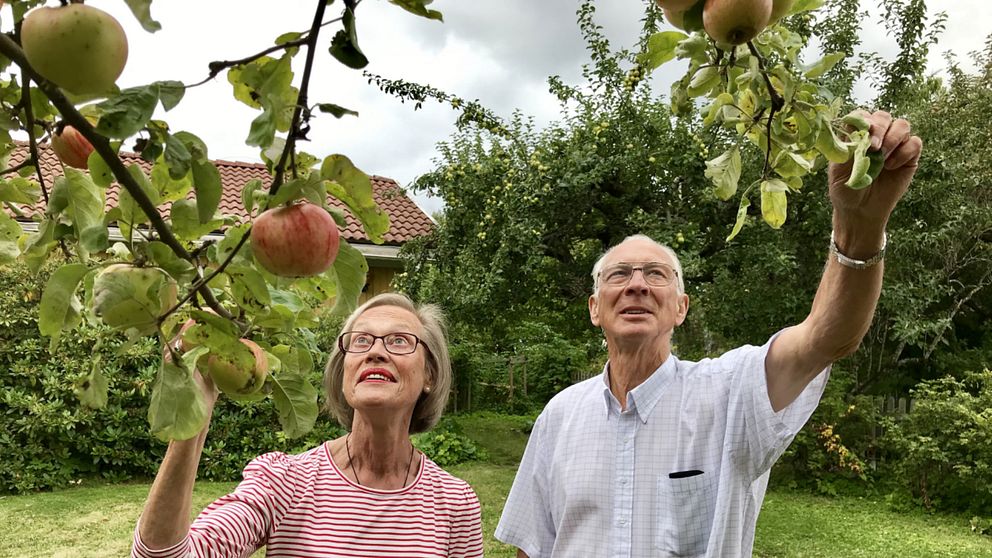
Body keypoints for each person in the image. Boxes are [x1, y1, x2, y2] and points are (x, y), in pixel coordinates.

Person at [495, 110, 924, 558]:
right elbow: (535, 546)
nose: (637, 284)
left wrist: (859, 226)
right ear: (594, 308)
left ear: (681, 308)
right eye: (619, 274)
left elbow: (826, 338)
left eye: (657, 274)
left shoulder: (732, 393)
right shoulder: (560, 416)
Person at [132, 292, 484, 558]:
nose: (376, 351)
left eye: (399, 341)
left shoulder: (454, 503)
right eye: (361, 340)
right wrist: (194, 413)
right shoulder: (285, 481)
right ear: (343, 371)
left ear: (429, 375)